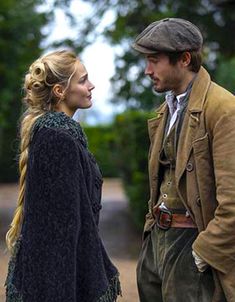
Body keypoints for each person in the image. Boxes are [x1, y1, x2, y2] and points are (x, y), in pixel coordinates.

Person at [5, 50, 121, 302]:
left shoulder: (62, 135)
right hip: (54, 284)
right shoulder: (57, 139)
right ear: (59, 91)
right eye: (82, 80)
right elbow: (60, 233)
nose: (91, 86)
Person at [132, 18, 235, 302]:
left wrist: (205, 251)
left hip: (192, 245)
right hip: (157, 241)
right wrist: (151, 241)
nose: (147, 70)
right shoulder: (165, 110)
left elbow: (233, 200)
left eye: (154, 60)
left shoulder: (224, 109)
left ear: (184, 59)